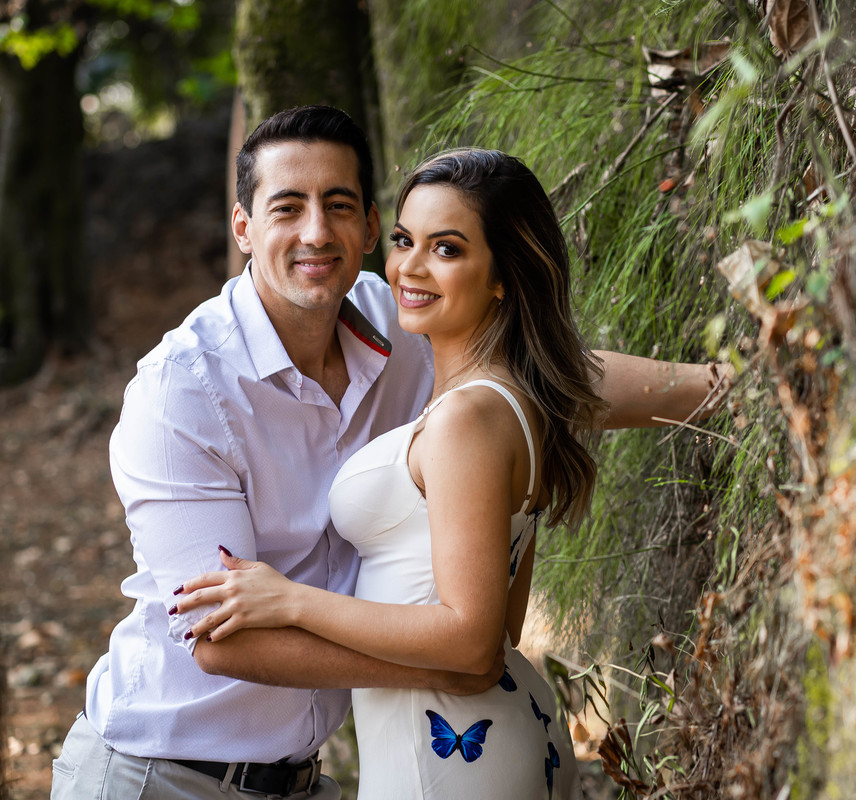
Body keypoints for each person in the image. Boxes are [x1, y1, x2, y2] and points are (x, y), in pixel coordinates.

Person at [50, 106, 727, 799]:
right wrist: (460, 666)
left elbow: (550, 374)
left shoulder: (399, 319)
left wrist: (720, 388)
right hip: (159, 775)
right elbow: (223, 639)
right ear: (244, 228)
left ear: (369, 226)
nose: (316, 231)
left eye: (338, 205)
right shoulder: (182, 393)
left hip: (310, 777)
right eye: (287, 207)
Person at [175, 146, 612, 798]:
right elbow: (505, 627)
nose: (408, 266)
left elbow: (472, 641)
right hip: (490, 732)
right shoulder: (510, 404)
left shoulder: (466, 418)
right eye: (406, 239)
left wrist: (293, 600)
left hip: (448, 756)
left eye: (448, 249)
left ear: (503, 276)